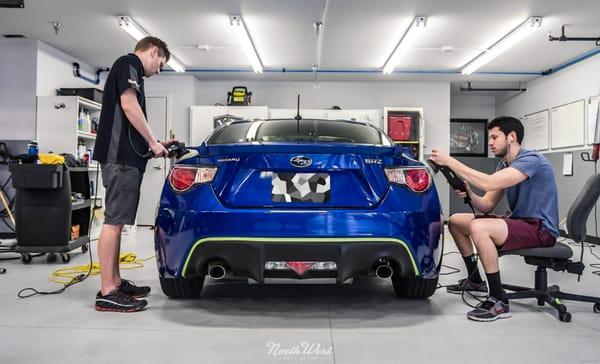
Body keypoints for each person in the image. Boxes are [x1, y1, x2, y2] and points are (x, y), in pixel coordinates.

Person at [430, 116, 559, 322]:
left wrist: (450, 161)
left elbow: (489, 183)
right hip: (521, 223)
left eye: (494, 137)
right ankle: (475, 281)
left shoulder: (531, 160)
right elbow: (487, 204)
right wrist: (470, 195)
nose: (490, 142)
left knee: (480, 227)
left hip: (541, 229)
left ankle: (499, 300)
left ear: (512, 137)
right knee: (456, 221)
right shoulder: (503, 165)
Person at [92, 36, 173, 312]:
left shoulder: (131, 70)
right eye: (160, 64)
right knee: (114, 222)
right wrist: (152, 142)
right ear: (153, 52)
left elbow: (127, 125)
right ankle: (107, 290)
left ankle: (114, 281)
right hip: (120, 160)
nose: (157, 71)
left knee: (118, 221)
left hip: (126, 158)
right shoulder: (129, 64)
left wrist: (155, 144)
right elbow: (129, 106)